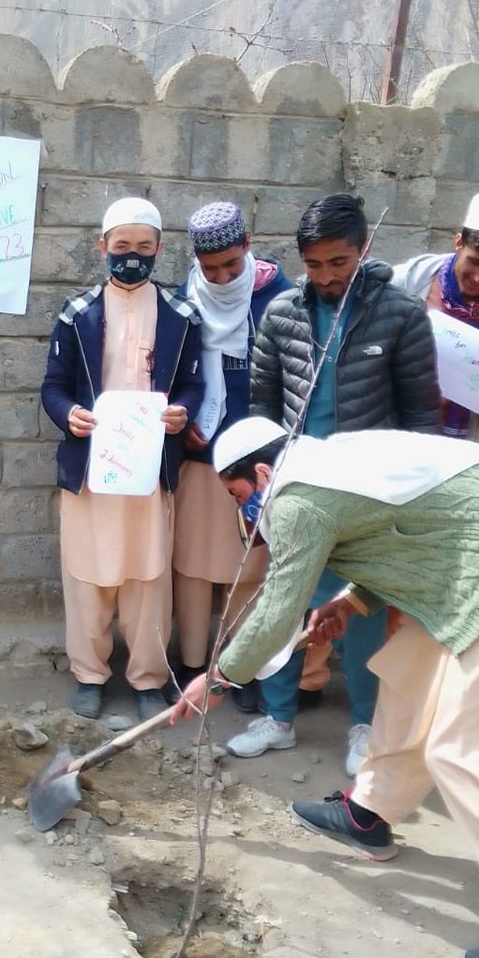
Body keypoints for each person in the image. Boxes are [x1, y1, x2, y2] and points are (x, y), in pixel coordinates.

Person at [172, 416, 479, 958]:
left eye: (238, 495)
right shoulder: (322, 464)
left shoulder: (296, 498)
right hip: (455, 571)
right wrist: (350, 602)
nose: (244, 510)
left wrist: (217, 679)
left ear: (261, 473)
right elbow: (406, 534)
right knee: (408, 682)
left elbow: (278, 608)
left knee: (457, 754)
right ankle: (369, 814)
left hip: (472, 576)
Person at [228, 193, 439, 773]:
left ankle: (364, 726)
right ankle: (277, 718)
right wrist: (265, 483)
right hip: (300, 489)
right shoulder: (282, 314)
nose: (326, 277)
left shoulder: (400, 314)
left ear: (362, 249)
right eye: (314, 265)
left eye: (338, 263)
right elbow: (262, 409)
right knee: (287, 600)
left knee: (361, 609)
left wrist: (409, 496)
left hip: (371, 493)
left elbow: (421, 416)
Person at [41, 197, 203, 722]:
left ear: (159, 249)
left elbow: (194, 383)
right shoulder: (77, 314)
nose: (132, 255)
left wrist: (182, 412)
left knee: (148, 578)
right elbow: (53, 385)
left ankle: (148, 678)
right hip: (92, 470)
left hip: (149, 473)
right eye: (122, 245)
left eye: (143, 246)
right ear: (103, 246)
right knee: (87, 576)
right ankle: (89, 674)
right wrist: (69, 415)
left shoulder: (181, 316)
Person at [172, 201, 291, 711]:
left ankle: (238, 669)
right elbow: (174, 369)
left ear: (247, 246)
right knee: (195, 561)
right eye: (210, 268)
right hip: (201, 454)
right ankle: (192, 663)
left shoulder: (279, 297)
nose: (220, 277)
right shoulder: (185, 298)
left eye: (230, 265)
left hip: (258, 458)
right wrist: (186, 418)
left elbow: (293, 375)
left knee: (251, 563)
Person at [393, 191, 479, 438]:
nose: (478, 278)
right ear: (459, 242)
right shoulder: (408, 282)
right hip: (403, 430)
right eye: (474, 262)